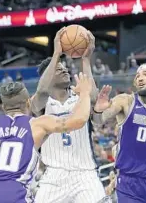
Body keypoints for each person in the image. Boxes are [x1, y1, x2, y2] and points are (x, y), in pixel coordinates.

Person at [0, 73, 92, 203]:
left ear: (4, 107)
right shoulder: (37, 124)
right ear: (28, 102)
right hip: (13, 192)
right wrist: (85, 93)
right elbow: (78, 120)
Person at [31, 28, 108, 203]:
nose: (65, 70)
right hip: (54, 176)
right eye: (59, 69)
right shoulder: (42, 104)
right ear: (47, 77)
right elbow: (41, 90)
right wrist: (57, 53)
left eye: (64, 67)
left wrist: (86, 59)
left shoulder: (80, 98)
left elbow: (94, 98)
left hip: (85, 174)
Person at [93, 63, 146, 203]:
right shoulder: (126, 101)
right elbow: (97, 121)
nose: (140, 78)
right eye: (138, 76)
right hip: (129, 184)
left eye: (145, 74)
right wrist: (98, 110)